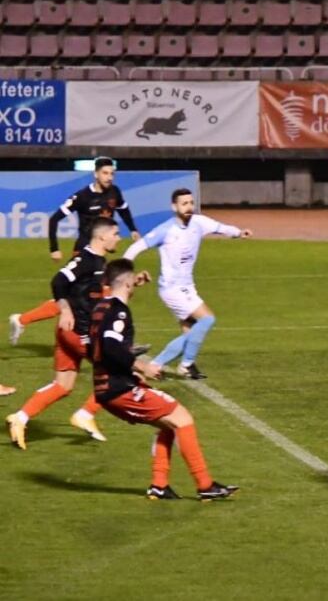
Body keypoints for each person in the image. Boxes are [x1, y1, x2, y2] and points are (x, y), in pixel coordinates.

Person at [88, 258, 237, 501]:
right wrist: (140, 365)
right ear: (127, 283)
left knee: (168, 425)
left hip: (108, 386)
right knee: (183, 419)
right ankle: (205, 484)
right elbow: (109, 345)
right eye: (132, 281)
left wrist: (126, 361)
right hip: (119, 388)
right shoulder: (119, 311)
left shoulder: (101, 307)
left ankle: (159, 485)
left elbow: (97, 347)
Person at [6, 218, 121, 449]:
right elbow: (58, 281)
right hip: (77, 332)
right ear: (102, 236)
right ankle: (86, 413)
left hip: (69, 331)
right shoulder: (85, 260)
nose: (119, 237)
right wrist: (66, 309)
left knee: (63, 385)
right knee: (117, 371)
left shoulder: (99, 261)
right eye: (116, 233)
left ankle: (20, 418)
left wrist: (132, 283)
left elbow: (99, 293)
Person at [9, 157, 140, 346]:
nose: (109, 177)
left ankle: (22, 320)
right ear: (95, 174)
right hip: (85, 252)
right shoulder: (82, 197)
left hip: (100, 252)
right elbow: (54, 219)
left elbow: (124, 210)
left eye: (112, 173)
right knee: (90, 295)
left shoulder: (114, 192)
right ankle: (115, 339)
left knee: (79, 297)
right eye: (105, 173)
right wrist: (54, 248)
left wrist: (133, 229)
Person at [124, 188, 252, 380]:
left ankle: (187, 365)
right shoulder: (165, 230)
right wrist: (126, 274)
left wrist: (238, 232)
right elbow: (135, 248)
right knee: (207, 319)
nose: (189, 207)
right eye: (184, 204)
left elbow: (220, 227)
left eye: (191, 203)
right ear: (174, 207)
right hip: (172, 288)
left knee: (191, 330)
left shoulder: (198, 222)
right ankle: (158, 364)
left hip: (187, 285)